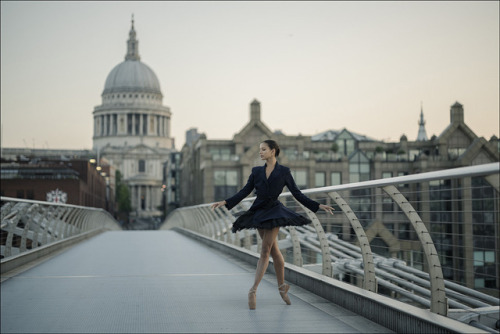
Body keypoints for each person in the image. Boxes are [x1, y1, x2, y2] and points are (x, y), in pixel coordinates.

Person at [211, 139, 335, 309]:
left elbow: (297, 193)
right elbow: (244, 191)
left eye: (263, 149)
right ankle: (282, 287)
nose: (260, 152)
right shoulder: (256, 171)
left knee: (265, 250)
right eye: (260, 149)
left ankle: (253, 290)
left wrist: (318, 205)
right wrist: (225, 202)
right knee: (274, 251)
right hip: (259, 211)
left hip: (274, 212)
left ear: (273, 151)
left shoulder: (284, 172)